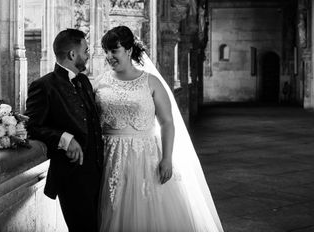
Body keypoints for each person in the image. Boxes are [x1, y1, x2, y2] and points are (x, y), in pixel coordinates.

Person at [94, 25, 223, 232]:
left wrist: (167, 158)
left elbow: (167, 123)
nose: (109, 56)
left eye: (114, 50)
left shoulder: (151, 82)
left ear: (128, 50)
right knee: (112, 209)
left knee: (146, 210)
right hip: (109, 157)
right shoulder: (99, 83)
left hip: (145, 156)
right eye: (106, 51)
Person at [25, 29, 103, 231]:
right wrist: (64, 138)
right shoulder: (43, 86)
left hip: (98, 172)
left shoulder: (84, 81)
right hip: (72, 178)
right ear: (72, 55)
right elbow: (31, 126)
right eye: (86, 50)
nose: (88, 55)